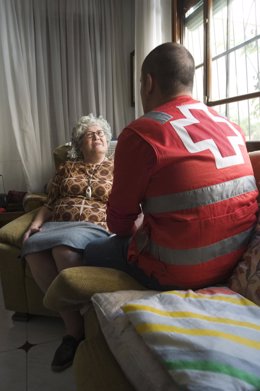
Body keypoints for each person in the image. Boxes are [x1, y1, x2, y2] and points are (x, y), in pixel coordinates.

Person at [83, 42, 259, 291]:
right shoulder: (231, 126)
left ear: (148, 83)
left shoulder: (140, 134)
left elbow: (119, 224)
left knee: (92, 250)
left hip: (175, 273)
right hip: (233, 260)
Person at [22, 113, 113, 372]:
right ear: (79, 144)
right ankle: (77, 321)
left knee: (63, 249)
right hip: (57, 224)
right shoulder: (66, 169)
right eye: (89, 134)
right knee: (32, 249)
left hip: (93, 227)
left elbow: (130, 204)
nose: (97, 137)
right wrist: (35, 225)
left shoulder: (119, 168)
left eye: (101, 134)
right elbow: (49, 204)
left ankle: (72, 334)